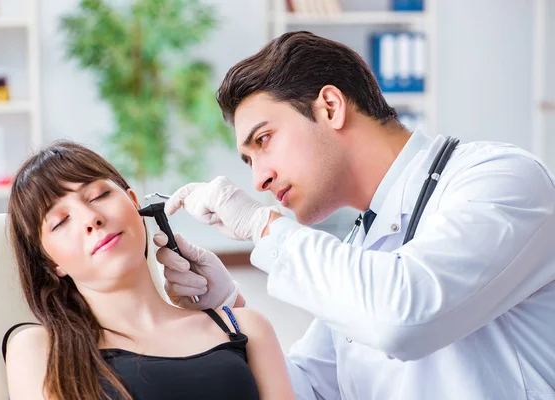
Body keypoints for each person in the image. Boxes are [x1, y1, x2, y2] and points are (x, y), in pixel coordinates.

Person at [155, 31, 555, 399]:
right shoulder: (361, 245)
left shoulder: (501, 178)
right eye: (248, 160)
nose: (259, 179)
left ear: (330, 107)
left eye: (264, 141)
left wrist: (264, 227)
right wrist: (229, 307)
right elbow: (309, 389)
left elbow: (405, 318)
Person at [2, 141, 295, 400]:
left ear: (133, 202)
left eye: (98, 196)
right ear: (51, 263)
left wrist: (230, 300)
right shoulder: (41, 350)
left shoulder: (244, 326)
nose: (91, 218)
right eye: (60, 221)